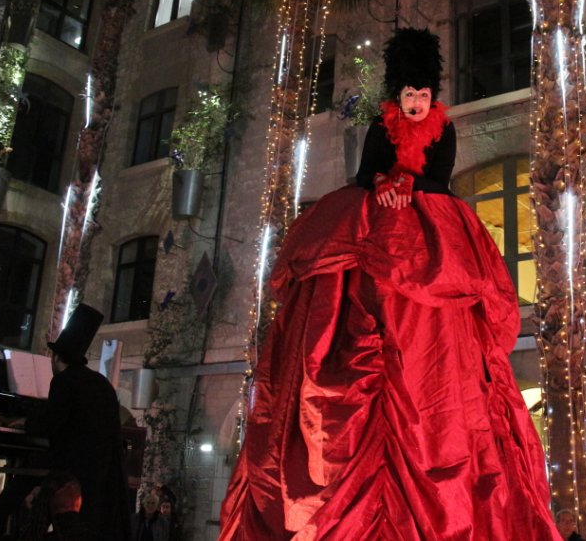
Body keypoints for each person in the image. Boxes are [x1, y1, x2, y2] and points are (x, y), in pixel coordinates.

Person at [219, 28, 562, 540]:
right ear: (397, 96)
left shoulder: (444, 131)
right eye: (410, 96)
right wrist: (384, 182)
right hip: (374, 220)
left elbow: (439, 181)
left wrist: (407, 185)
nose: (418, 103)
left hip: (427, 223)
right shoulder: (382, 127)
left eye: (425, 96)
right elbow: (364, 173)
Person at [23, 303, 130, 541]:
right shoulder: (101, 383)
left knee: (23, 473)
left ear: (57, 357)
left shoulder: (64, 381)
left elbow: (49, 424)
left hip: (71, 471)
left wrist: (25, 423)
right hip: (101, 477)